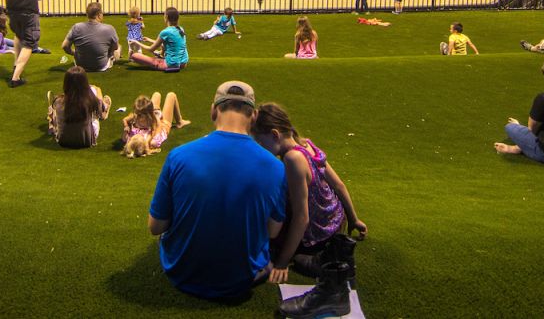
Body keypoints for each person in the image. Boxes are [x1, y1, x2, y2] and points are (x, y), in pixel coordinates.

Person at [148, 81, 286, 299]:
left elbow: (156, 226)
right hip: (242, 276)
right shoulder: (276, 167)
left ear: (214, 110)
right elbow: (272, 231)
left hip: (182, 272)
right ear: (254, 115)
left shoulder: (178, 156)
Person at [252, 103, 367, 284]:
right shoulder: (306, 143)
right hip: (336, 219)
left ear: (275, 135)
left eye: (260, 141)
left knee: (269, 225)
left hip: (318, 231)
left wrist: (281, 263)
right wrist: (353, 219)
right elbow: (338, 185)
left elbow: (301, 217)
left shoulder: (293, 158)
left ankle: (321, 258)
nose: (259, 147)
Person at [46, 66, 111, 149]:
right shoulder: (91, 100)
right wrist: (97, 91)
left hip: (63, 141)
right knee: (96, 93)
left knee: (55, 114)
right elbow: (100, 111)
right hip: (87, 140)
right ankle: (106, 107)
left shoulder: (58, 101)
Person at [120, 91, 191, 158]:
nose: (136, 116)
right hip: (162, 125)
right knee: (171, 95)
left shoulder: (129, 137)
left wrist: (127, 127)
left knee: (156, 94)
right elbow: (158, 127)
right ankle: (180, 122)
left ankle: (178, 120)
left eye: (139, 115)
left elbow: (155, 129)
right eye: (137, 113)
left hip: (155, 120)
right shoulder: (153, 141)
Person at [62, 2, 120, 72]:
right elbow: (115, 47)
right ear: (99, 15)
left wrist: (74, 53)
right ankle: (111, 59)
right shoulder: (109, 28)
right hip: (101, 66)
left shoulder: (76, 27)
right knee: (118, 47)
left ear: (87, 15)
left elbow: (65, 46)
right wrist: (109, 53)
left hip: (80, 66)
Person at [130, 7, 188, 72]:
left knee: (135, 55)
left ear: (166, 17)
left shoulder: (165, 32)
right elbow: (169, 44)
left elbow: (151, 49)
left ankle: (159, 61)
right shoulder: (181, 29)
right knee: (161, 52)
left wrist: (136, 42)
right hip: (183, 63)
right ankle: (160, 57)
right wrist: (150, 40)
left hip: (171, 64)